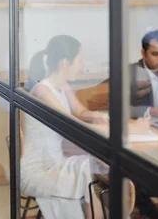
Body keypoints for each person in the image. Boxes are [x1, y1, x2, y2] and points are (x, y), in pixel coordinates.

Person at [21, 35, 108, 219]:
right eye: (79, 61)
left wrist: (99, 116)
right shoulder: (42, 90)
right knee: (90, 175)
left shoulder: (63, 86)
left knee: (95, 175)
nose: (82, 66)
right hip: (40, 170)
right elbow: (70, 123)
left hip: (56, 162)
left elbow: (81, 112)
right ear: (64, 63)